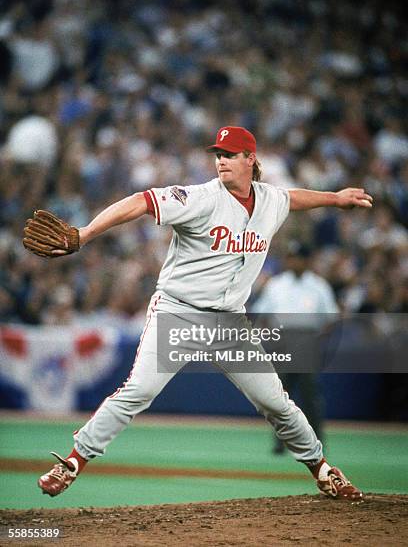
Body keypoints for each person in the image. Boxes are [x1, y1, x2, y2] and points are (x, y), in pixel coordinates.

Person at [30, 126, 372, 501]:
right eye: (218, 154)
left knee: (276, 401)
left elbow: (293, 198)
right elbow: (141, 201)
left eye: (230, 153)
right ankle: (73, 462)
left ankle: (324, 471)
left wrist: (335, 198)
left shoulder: (270, 200)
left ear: (250, 159)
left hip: (229, 321)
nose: (221, 160)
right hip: (178, 312)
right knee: (139, 390)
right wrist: (86, 232)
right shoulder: (200, 198)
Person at [252, 241, 339, 454]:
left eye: (298, 257)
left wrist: (317, 340)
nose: (293, 261)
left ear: (307, 260)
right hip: (283, 341)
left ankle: (317, 442)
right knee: (279, 397)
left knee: (310, 396)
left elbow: (331, 318)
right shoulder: (276, 284)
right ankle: (280, 443)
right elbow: (261, 314)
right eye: (290, 257)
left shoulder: (318, 285)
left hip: (308, 340)